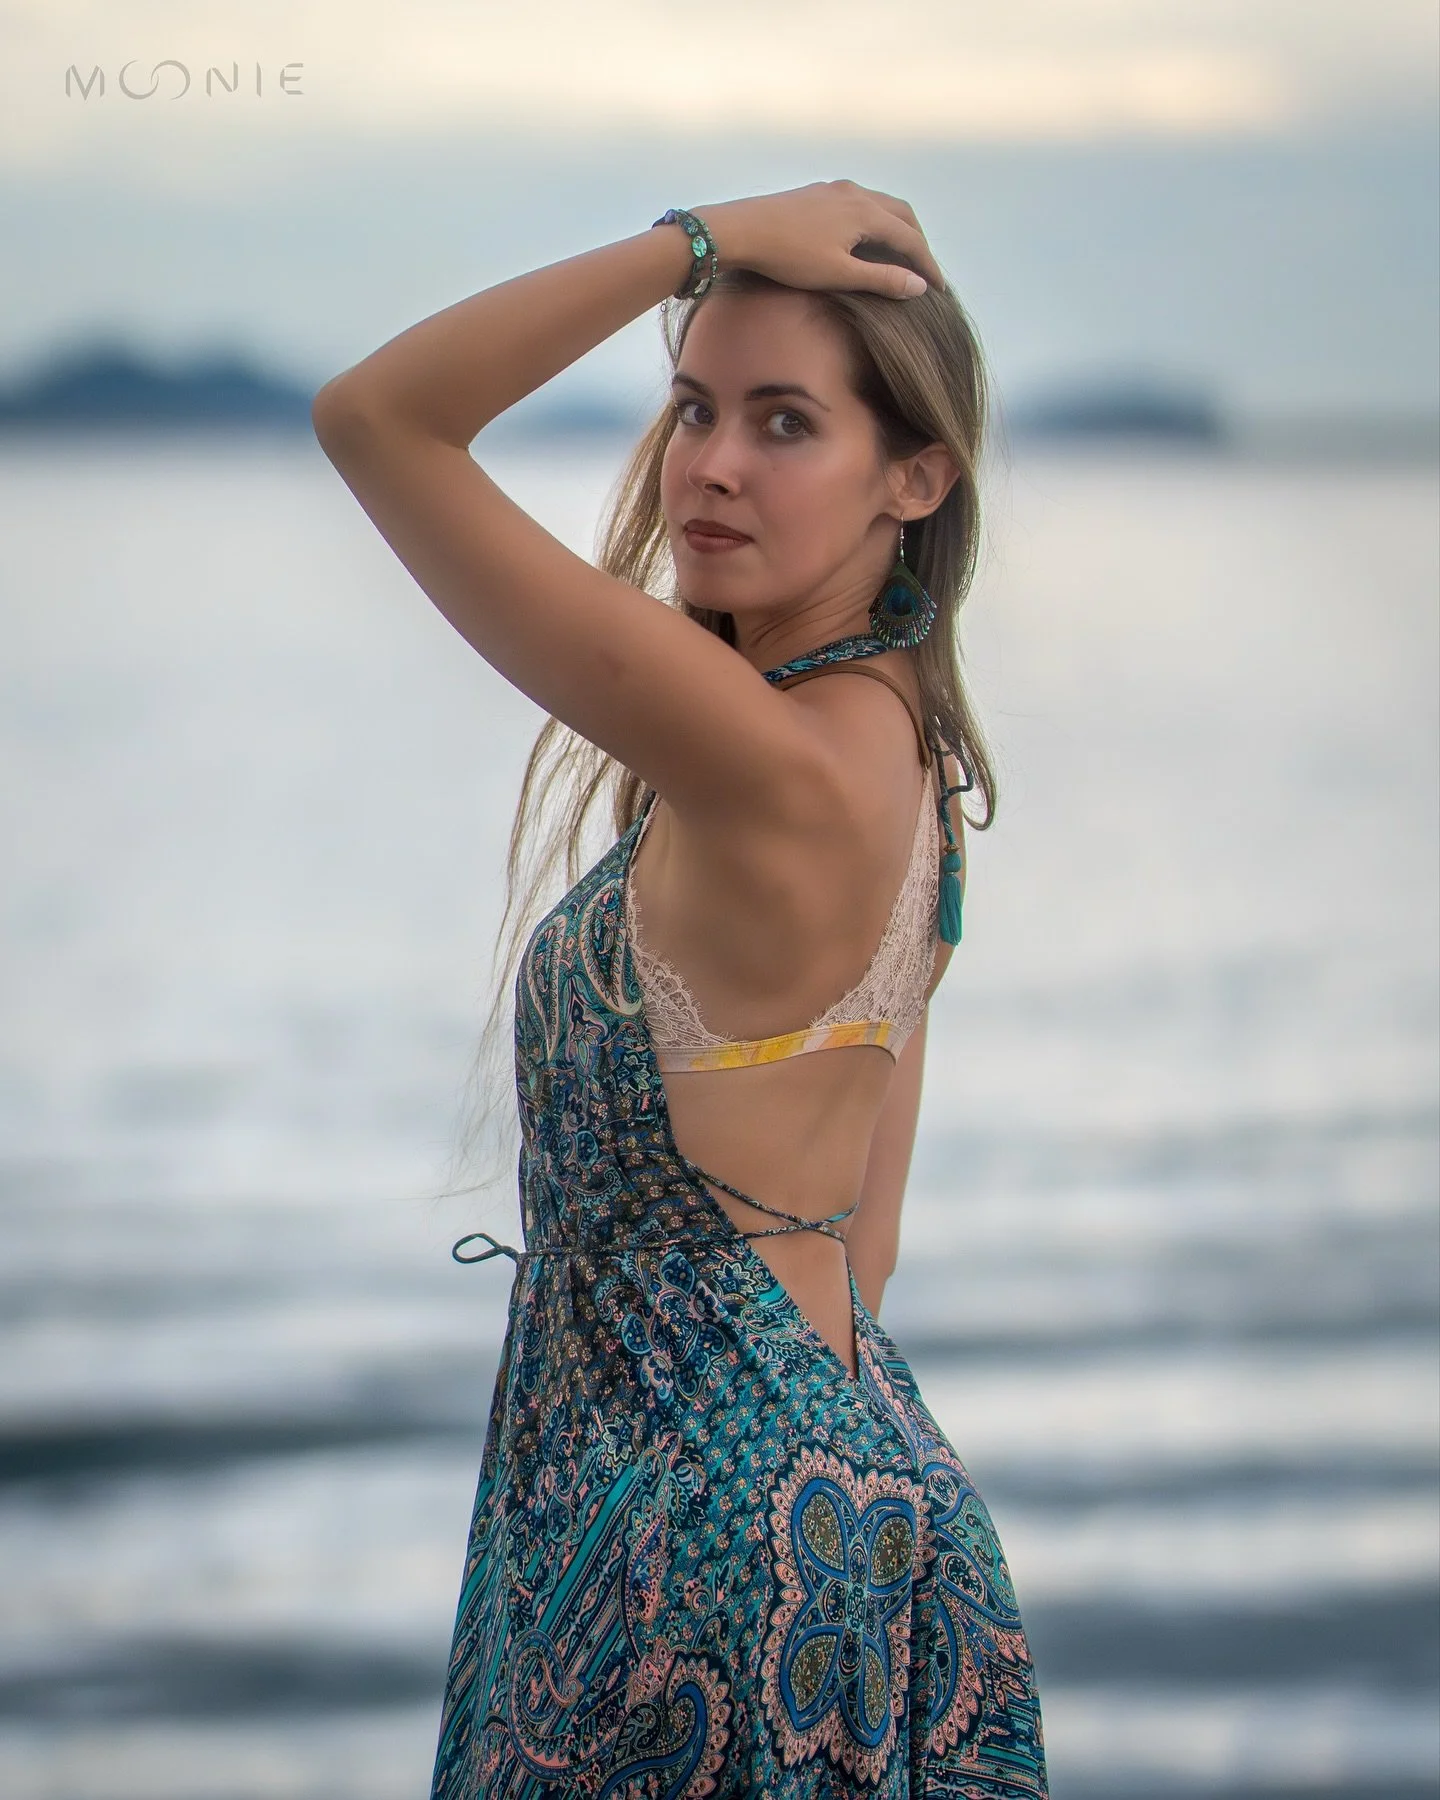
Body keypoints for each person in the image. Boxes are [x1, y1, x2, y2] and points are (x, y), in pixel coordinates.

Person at [312, 180, 1047, 1798]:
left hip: (682, 1547)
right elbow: (859, 1246)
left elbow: (378, 418)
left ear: (915, 477)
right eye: (694, 406)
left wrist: (703, 239)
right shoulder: (907, 760)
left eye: (786, 423)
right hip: (841, 1489)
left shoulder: (766, 760)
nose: (710, 464)